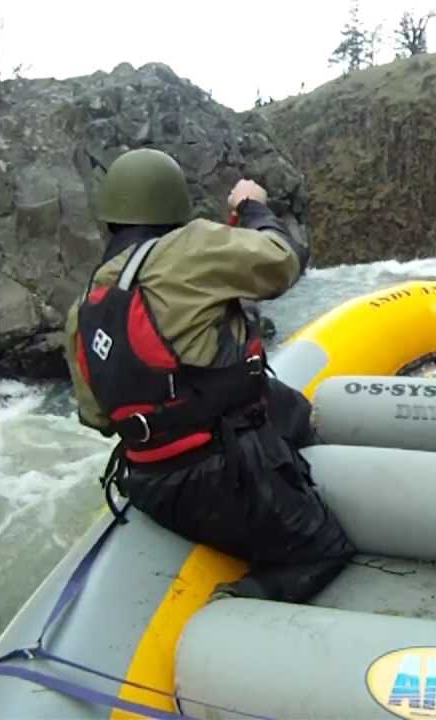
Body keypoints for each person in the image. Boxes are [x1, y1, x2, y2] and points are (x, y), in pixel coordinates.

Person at [63, 148, 355, 602]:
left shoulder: (85, 304)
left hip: (151, 484)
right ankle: (237, 605)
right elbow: (282, 261)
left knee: (287, 407)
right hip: (222, 475)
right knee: (323, 549)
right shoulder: (190, 246)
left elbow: (98, 417)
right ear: (175, 204)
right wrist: (252, 207)